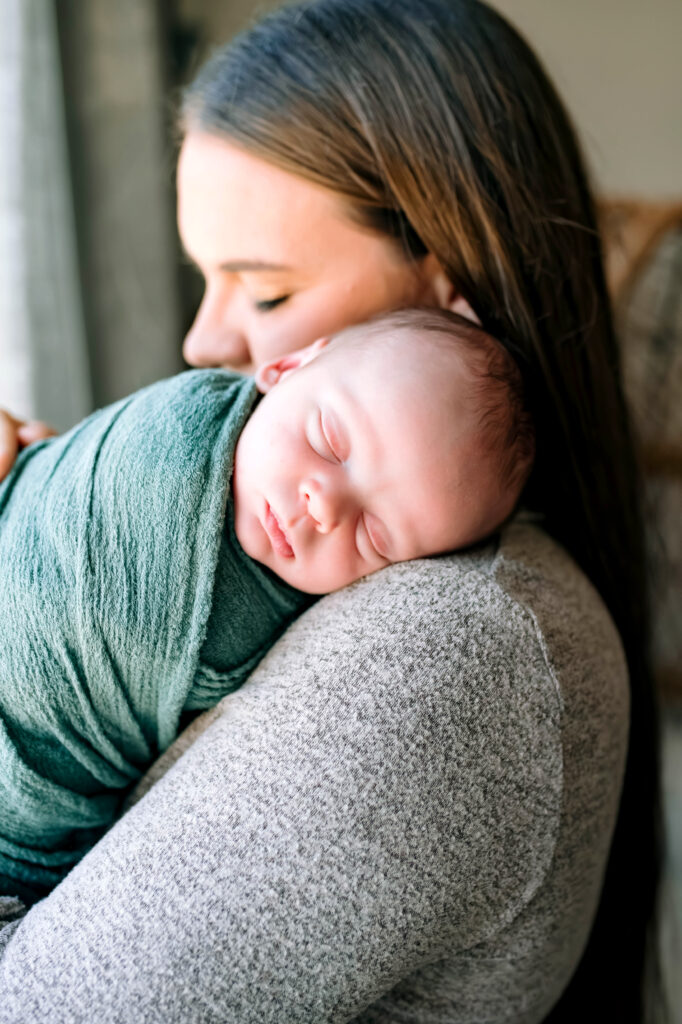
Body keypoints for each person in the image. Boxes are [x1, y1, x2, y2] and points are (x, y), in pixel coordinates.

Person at [0, 1, 662, 1022]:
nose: (198, 342)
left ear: (451, 293)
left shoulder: (449, 653)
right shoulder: (319, 562)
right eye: (204, 279)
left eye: (264, 294)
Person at [0, 308, 534, 906]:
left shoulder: (291, 635)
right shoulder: (185, 420)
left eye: (374, 536)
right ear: (284, 367)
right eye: (329, 441)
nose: (324, 508)